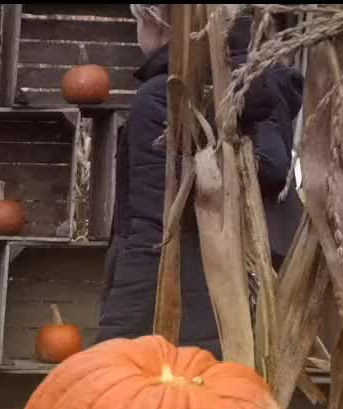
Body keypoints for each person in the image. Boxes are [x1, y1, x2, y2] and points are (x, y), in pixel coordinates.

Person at [96, 5, 304, 349]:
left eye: (138, 20)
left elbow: (155, 235)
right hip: (237, 323)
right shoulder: (259, 93)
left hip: (167, 320)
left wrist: (117, 339)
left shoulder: (163, 98)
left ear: (158, 21)